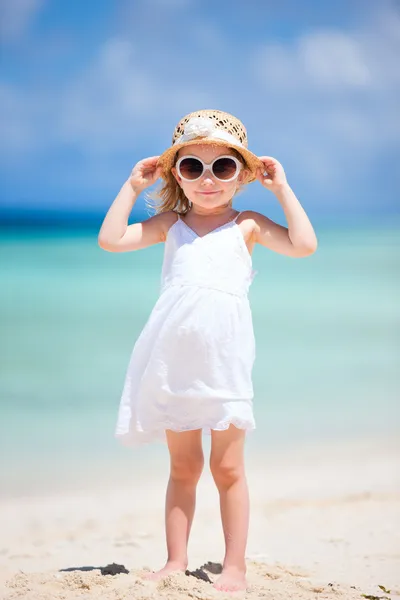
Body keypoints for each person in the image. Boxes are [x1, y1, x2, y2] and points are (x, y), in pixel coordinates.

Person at [98, 109, 317, 592]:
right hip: (174, 364)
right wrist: (132, 187)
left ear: (243, 174)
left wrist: (281, 189)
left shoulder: (248, 224)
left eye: (223, 167)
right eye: (193, 167)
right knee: (183, 466)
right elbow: (111, 240)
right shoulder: (169, 225)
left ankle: (233, 566)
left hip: (225, 365)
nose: (208, 179)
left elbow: (304, 245)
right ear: (177, 173)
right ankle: (176, 560)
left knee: (228, 467)